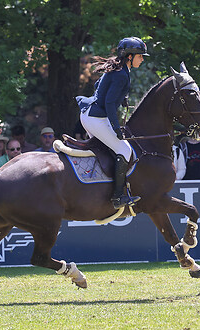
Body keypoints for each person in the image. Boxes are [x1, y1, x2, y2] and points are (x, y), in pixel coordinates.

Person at [76, 37, 149, 209]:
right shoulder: (121, 74)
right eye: (140, 56)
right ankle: (117, 197)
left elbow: (98, 85)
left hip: (88, 114)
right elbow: (109, 103)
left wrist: (121, 98)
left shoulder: (117, 69)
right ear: (129, 56)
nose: (143, 59)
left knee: (110, 149)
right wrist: (117, 129)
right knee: (124, 150)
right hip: (96, 118)